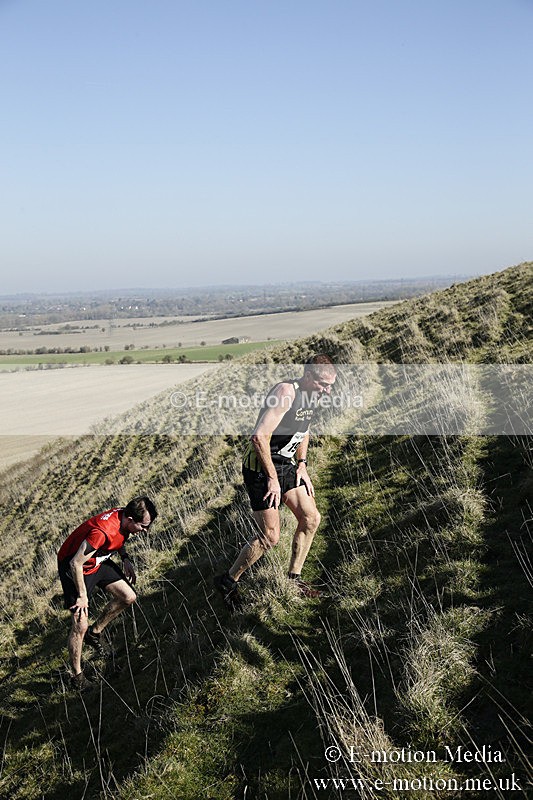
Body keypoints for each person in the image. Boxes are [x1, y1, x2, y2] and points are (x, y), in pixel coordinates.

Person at [215, 354, 336, 610]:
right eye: (324, 384)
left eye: (331, 386)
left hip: (287, 464)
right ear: (308, 376)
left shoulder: (314, 396)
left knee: (311, 518)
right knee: (270, 537)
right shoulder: (285, 393)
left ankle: (293, 580)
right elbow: (259, 437)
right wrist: (272, 479)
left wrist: (302, 465)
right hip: (261, 466)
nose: (328, 391)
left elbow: (304, 430)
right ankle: (229, 580)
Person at [57, 496, 158, 691]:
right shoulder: (101, 532)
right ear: (129, 519)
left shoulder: (124, 517)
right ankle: (77, 677)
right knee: (80, 625)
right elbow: (75, 563)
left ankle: (95, 634)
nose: (145, 531)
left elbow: (120, 537)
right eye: (143, 527)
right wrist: (82, 595)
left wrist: (125, 557)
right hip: (75, 569)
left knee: (128, 597)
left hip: (97, 562)